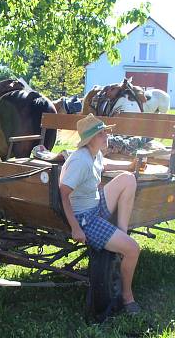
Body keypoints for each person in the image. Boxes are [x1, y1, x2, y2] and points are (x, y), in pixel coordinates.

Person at [59, 115, 142, 313]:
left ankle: (122, 232)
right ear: (90, 139)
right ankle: (127, 296)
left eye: (105, 132)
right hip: (85, 219)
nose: (106, 136)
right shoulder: (81, 161)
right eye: (101, 134)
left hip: (95, 205)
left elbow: (104, 166)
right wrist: (75, 228)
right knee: (133, 250)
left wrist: (129, 166)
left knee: (128, 179)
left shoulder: (94, 154)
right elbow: (63, 193)